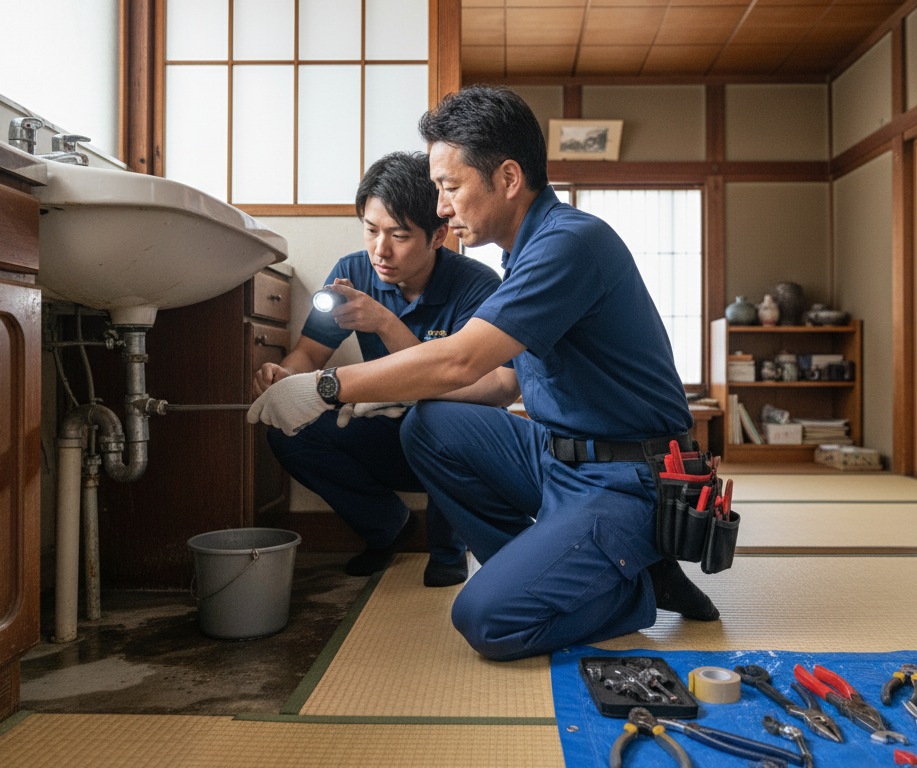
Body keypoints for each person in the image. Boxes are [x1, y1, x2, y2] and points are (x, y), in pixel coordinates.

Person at [248, 86, 717, 660]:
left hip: (624, 476)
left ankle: (635, 585)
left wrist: (328, 386)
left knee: (486, 620)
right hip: (556, 456)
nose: (442, 206)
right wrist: (351, 388)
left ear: (509, 178)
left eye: (449, 187)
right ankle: (560, 567)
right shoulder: (522, 254)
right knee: (430, 425)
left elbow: (460, 360)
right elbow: (494, 384)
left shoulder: (568, 244)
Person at [253, 151, 501, 587]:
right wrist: (282, 376)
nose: (380, 251)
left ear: (438, 235)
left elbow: (477, 383)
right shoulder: (353, 271)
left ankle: (448, 550)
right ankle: (387, 526)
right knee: (288, 431)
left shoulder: (477, 287)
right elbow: (309, 356)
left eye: (399, 235)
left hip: (449, 434)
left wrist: (384, 323)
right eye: (371, 231)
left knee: (447, 418)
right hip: (382, 430)